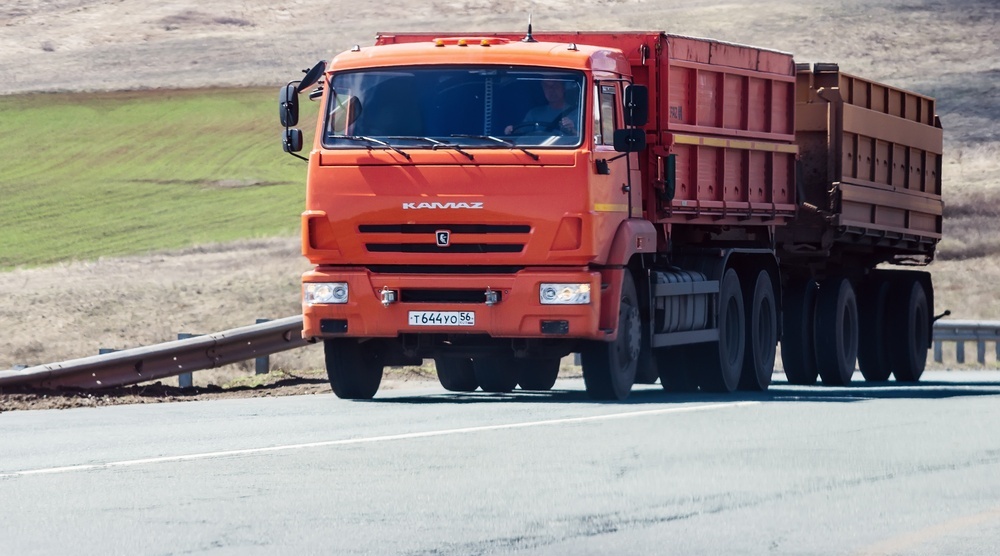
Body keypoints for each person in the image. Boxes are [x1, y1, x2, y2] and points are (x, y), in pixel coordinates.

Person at [505, 79, 577, 135]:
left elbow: (582, 141)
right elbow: (521, 134)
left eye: (555, 85)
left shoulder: (577, 113)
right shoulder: (534, 113)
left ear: (563, 87)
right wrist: (511, 131)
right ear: (543, 88)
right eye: (547, 86)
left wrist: (572, 130)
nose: (551, 90)